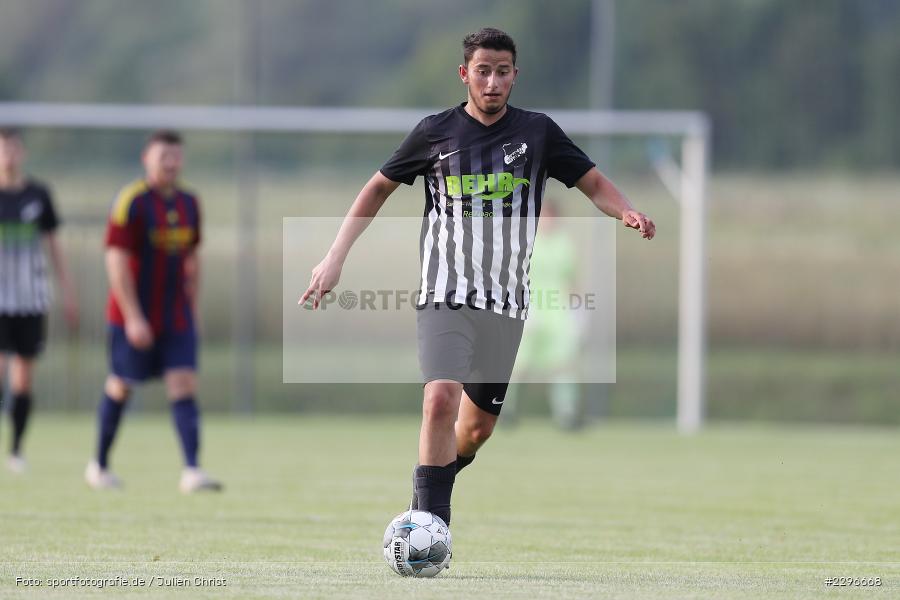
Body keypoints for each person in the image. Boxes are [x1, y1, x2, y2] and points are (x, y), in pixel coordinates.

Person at [301, 28, 654, 533]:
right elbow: (377, 188)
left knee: (474, 431)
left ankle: (428, 484)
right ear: (465, 74)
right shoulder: (434, 132)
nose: (492, 82)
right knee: (439, 397)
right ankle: (429, 527)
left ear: (515, 75)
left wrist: (627, 211)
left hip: (505, 305)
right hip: (444, 294)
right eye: (483, 71)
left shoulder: (539, 133)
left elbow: (592, 182)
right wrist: (334, 257)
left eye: (502, 71)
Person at [85, 130, 221, 493]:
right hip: (133, 315)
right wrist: (132, 316)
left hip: (175, 314)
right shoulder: (131, 201)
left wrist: (193, 308)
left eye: (177, 156)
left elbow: (192, 257)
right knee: (121, 386)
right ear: (146, 158)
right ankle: (98, 465)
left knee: (184, 383)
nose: (171, 163)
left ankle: (192, 471)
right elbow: (115, 259)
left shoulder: (190, 202)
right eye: (164, 156)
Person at [0, 127, 78, 473]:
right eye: (3, 150)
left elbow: (53, 245)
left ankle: (16, 450)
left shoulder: (38, 194)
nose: (9, 156)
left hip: (31, 300)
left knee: (23, 378)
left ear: (23, 153)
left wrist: (67, 290)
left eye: (14, 149)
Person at [502, 199, 585, 430]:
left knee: (563, 365)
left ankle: (567, 415)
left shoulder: (565, 244)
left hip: (558, 314)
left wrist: (578, 311)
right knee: (517, 365)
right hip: (530, 311)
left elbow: (572, 280)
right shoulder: (526, 242)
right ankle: (503, 411)